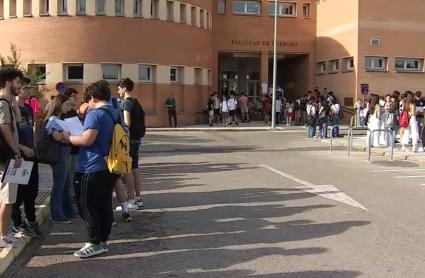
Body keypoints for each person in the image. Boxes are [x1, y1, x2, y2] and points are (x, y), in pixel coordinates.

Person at [64, 83, 119, 258]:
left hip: (91, 167)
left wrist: (68, 137)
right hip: (109, 165)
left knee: (85, 204)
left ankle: (94, 241)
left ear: (92, 98)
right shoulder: (114, 111)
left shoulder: (95, 114)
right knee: (103, 204)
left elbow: (87, 140)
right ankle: (102, 240)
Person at [11, 78, 41, 237]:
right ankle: (17, 222)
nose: (29, 91)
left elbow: (31, 130)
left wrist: (34, 148)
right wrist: (22, 149)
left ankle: (31, 219)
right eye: (25, 88)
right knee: (18, 193)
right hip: (19, 156)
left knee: (32, 190)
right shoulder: (12, 109)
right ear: (18, 89)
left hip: (32, 154)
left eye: (30, 88)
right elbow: (10, 135)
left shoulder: (28, 108)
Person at [0, 68, 24, 247]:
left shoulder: (7, 103)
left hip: (9, 156)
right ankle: (2, 236)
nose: (20, 86)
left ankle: (4, 234)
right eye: (17, 82)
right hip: (7, 157)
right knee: (7, 199)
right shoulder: (2, 104)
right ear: (8, 82)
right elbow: (5, 127)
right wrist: (16, 151)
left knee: (9, 199)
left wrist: (14, 102)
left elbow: (18, 120)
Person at [45, 94, 75, 223]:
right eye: (66, 104)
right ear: (59, 105)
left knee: (66, 183)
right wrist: (65, 133)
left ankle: (68, 211)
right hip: (59, 152)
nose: (68, 107)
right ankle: (56, 214)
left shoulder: (60, 119)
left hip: (65, 151)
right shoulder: (53, 120)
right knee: (59, 184)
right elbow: (56, 137)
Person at [118, 78, 144, 211]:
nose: (118, 91)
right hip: (137, 139)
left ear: (124, 88)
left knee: (128, 170)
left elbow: (127, 122)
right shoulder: (136, 101)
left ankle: (131, 200)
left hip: (129, 140)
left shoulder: (126, 103)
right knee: (135, 169)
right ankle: (138, 199)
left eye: (119, 88)